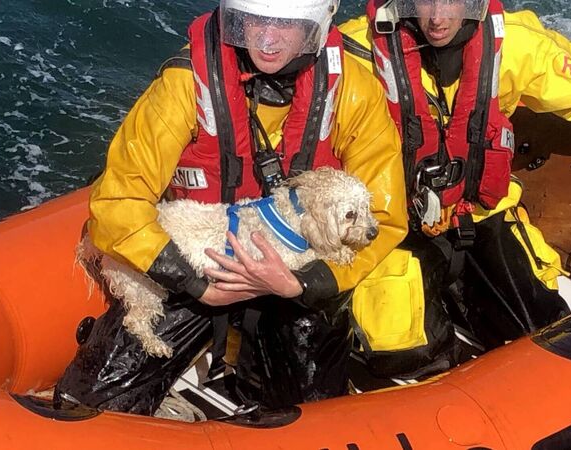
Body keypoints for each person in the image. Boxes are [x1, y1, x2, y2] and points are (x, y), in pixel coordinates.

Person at [55, 0, 408, 415]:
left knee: (314, 412)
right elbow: (119, 198)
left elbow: (384, 218)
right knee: (90, 402)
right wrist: (195, 281)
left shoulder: (354, 90)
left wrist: (301, 284)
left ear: (316, 25)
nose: (268, 39)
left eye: (287, 24)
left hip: (297, 279)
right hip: (197, 266)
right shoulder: (184, 84)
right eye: (255, 20)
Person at [337, 0, 571, 378]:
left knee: (547, 328)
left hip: (482, 212)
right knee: (402, 354)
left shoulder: (512, 43)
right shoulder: (356, 51)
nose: (438, 17)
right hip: (393, 226)